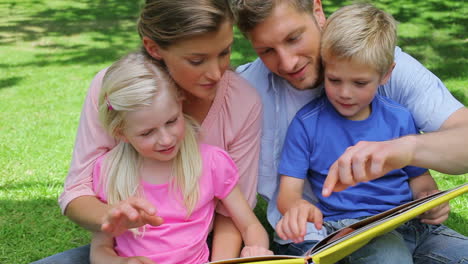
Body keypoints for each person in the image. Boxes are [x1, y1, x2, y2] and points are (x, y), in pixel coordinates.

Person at [231, 0, 468, 258]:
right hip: (330, 231)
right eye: (266, 50)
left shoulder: (377, 59)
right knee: (389, 254)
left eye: (293, 38)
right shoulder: (248, 94)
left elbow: (443, 156)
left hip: (409, 225)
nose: (287, 63)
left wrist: (415, 168)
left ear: (317, 10)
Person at [31, 0, 262, 263]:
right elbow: (78, 190)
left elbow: (232, 216)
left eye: (225, 52)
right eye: (196, 60)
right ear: (153, 48)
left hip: (202, 246)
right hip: (130, 244)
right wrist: (110, 217)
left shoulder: (243, 102)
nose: (216, 74)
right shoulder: (115, 92)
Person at [88, 51, 272, 264]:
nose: (166, 140)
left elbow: (250, 226)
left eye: (171, 121)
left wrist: (256, 249)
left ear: (180, 105)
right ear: (121, 134)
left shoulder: (211, 162)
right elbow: (100, 248)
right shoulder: (108, 170)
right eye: (147, 133)